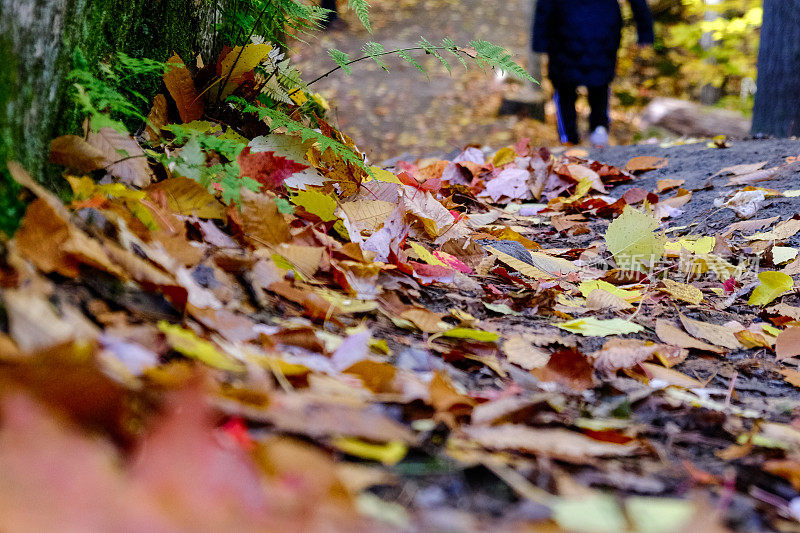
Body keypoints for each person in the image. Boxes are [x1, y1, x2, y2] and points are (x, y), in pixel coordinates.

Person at [532, 0, 654, 146]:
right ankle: (598, 134)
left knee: (567, 89)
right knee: (597, 86)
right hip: (598, 25)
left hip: (568, 25)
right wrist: (645, 31)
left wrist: (539, 40)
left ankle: (569, 141)